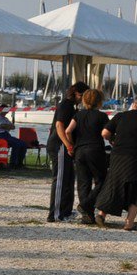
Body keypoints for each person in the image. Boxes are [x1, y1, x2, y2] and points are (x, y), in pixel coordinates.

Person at [96, 92, 137, 230]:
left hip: (118, 157)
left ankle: (102, 214)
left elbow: (104, 133)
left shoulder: (120, 116)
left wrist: (113, 140)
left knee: (113, 185)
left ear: (134, 103)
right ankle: (129, 223)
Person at [64, 87, 109, 225]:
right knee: (102, 181)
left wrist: (71, 145)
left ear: (84, 100)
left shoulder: (78, 115)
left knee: (84, 183)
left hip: (79, 151)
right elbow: (106, 133)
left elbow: (68, 130)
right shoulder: (102, 116)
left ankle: (87, 216)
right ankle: (86, 205)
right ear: (99, 101)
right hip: (95, 150)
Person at [47, 82, 88, 221]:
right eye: (82, 95)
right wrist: (68, 145)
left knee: (69, 179)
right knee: (60, 180)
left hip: (65, 146)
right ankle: (55, 214)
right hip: (59, 145)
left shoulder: (72, 106)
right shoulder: (65, 104)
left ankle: (66, 211)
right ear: (76, 93)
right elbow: (59, 126)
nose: (83, 99)